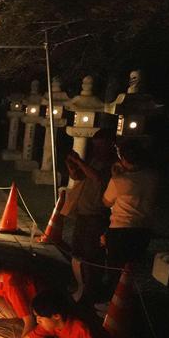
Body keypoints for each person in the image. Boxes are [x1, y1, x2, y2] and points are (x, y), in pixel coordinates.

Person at [63, 129, 114, 303]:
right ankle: (79, 284)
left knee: (91, 253)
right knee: (77, 251)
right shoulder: (94, 160)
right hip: (82, 213)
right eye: (95, 145)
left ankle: (91, 288)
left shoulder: (112, 165)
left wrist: (79, 161)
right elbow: (79, 177)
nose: (98, 149)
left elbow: (98, 179)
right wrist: (72, 166)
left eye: (101, 146)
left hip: (96, 214)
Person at [102, 137, 158, 286]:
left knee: (115, 269)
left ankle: (112, 300)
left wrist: (115, 176)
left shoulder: (120, 180)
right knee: (132, 269)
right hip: (143, 229)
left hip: (120, 229)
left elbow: (106, 202)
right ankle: (127, 300)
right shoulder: (153, 177)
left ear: (124, 158)